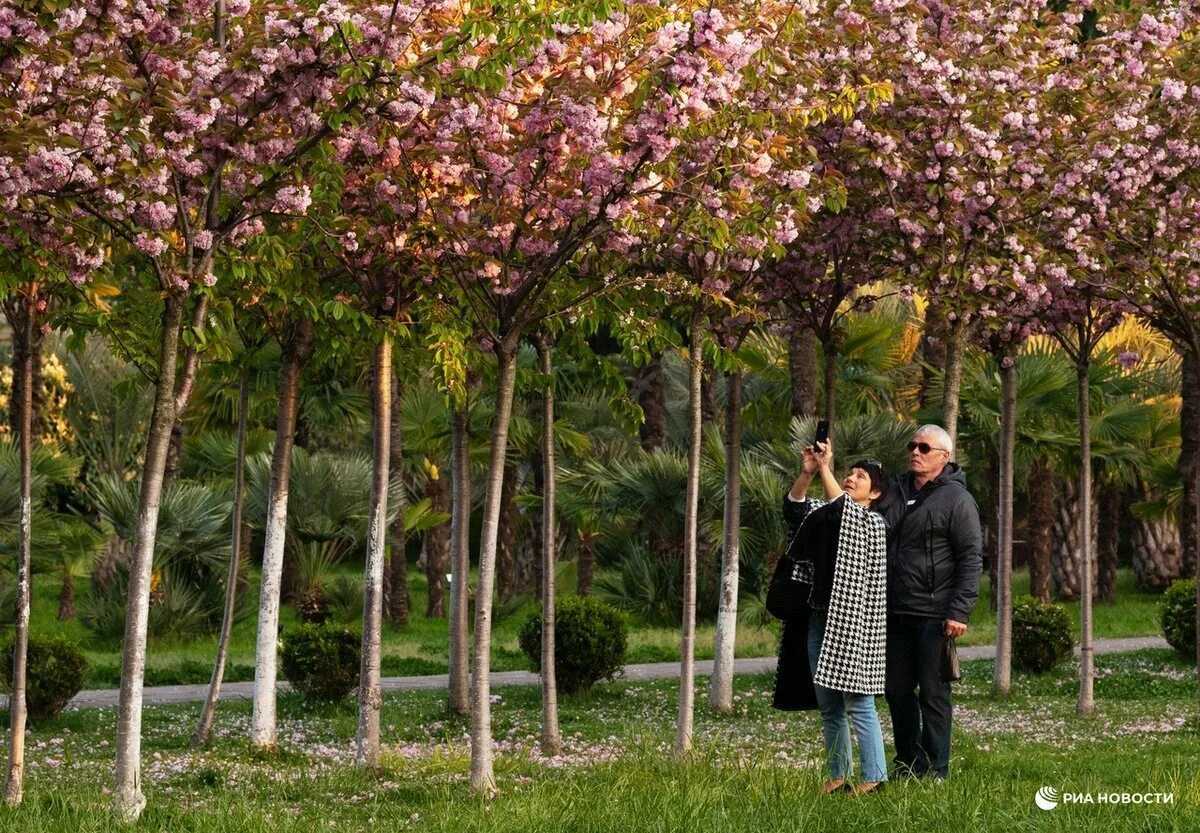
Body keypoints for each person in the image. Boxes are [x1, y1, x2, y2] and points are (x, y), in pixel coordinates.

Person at [772, 439, 889, 795]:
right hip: (817, 620)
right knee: (829, 707)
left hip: (852, 625)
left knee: (858, 702)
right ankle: (838, 778)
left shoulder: (872, 524)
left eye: (860, 477)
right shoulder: (826, 512)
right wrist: (808, 473)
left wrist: (827, 466)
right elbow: (794, 510)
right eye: (849, 473)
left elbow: (844, 513)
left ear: (875, 494)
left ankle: (874, 777)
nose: (851, 478)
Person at [878, 424, 982, 781]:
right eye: (913, 445)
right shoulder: (893, 491)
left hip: (935, 614)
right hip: (895, 610)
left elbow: (971, 557)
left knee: (933, 694)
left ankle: (936, 770)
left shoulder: (957, 499)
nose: (916, 452)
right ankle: (908, 765)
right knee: (896, 690)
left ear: (944, 457)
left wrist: (959, 610)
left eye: (924, 448)